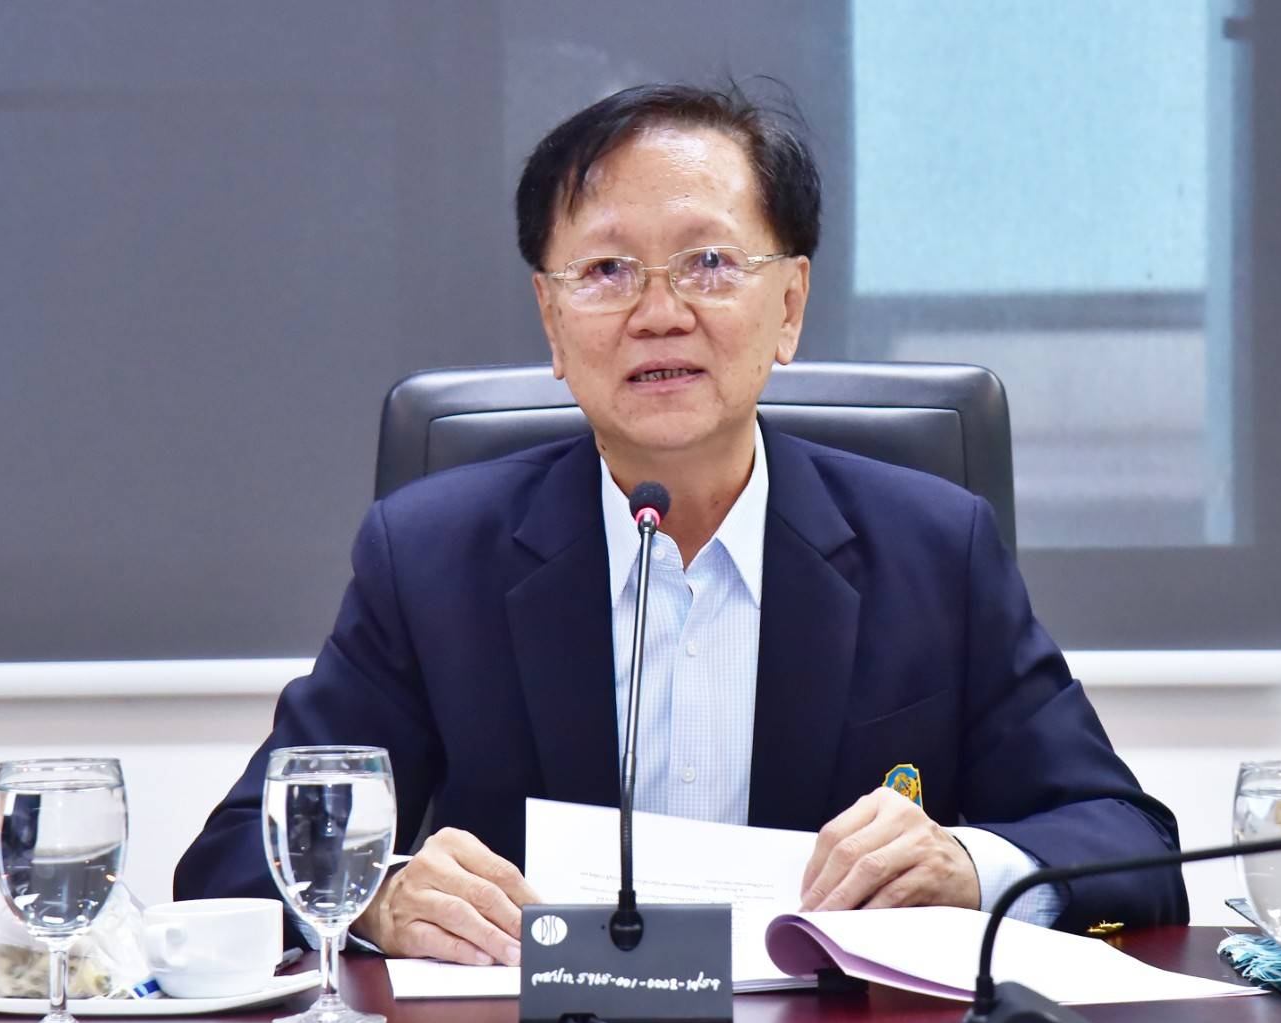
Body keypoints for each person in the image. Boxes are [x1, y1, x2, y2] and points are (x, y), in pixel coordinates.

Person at [175, 82, 1188, 967]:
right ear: (552, 323)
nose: (659, 312)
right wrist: (381, 898)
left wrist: (969, 863)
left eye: (708, 261)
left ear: (789, 305)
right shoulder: (432, 558)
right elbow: (229, 861)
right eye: (607, 271)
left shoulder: (933, 550)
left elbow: (1131, 848)